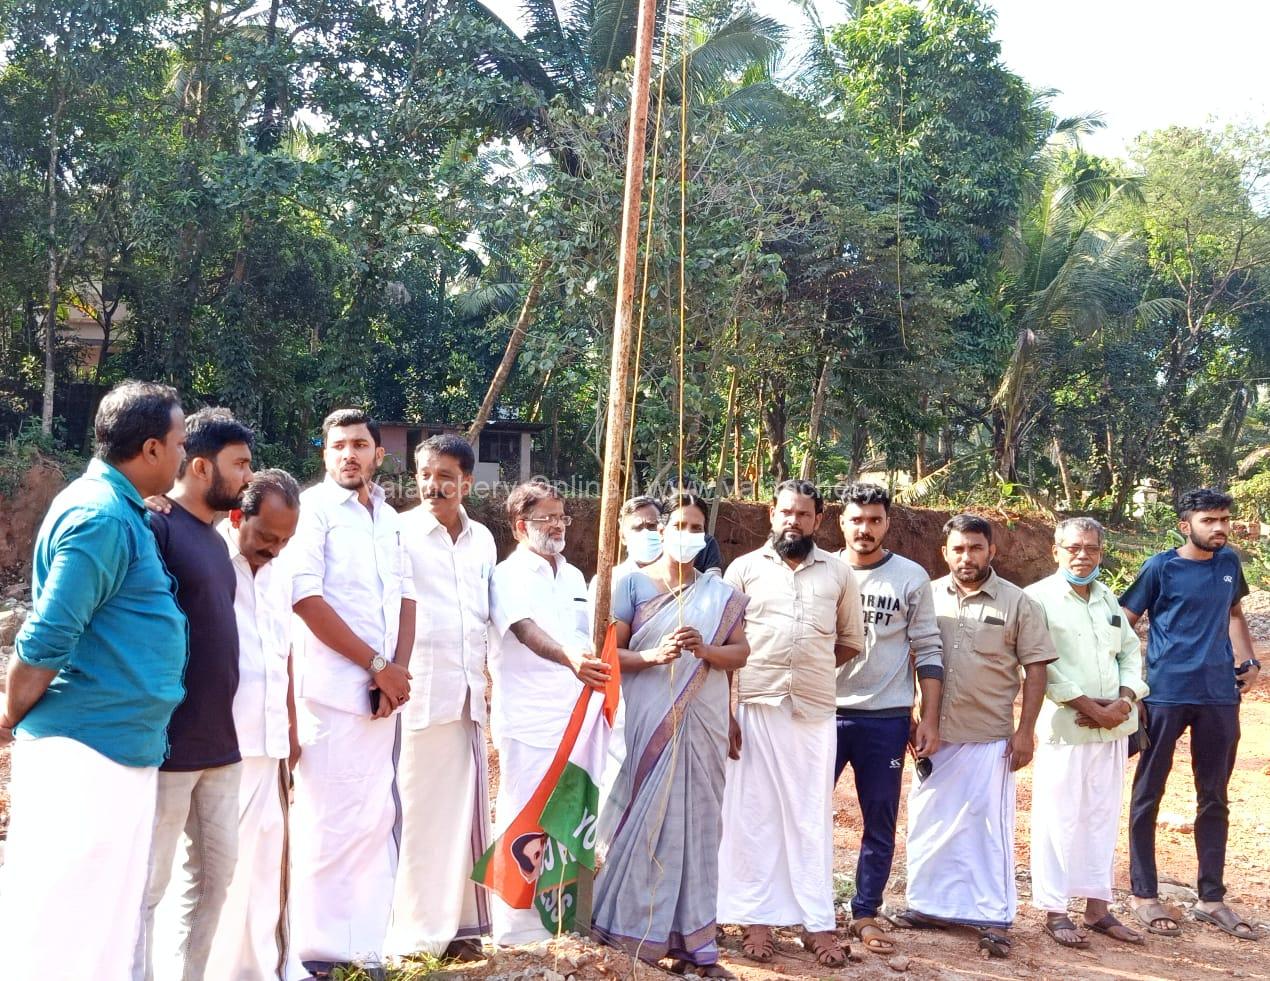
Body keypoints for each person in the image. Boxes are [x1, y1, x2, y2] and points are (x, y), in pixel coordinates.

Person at [0, 381, 188, 981]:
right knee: (64, 932)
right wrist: (9, 714)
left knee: (102, 929)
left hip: (117, 748)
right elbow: (46, 635)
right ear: (153, 448)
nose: (184, 457)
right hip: (85, 750)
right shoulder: (99, 516)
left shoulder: (120, 508)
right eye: (181, 443)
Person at [592, 493, 749, 976]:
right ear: (661, 529)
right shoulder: (629, 584)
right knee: (644, 819)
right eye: (676, 523)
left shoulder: (721, 595)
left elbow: (740, 653)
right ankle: (627, 934)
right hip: (646, 718)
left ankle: (695, 948)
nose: (684, 532)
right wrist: (654, 656)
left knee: (700, 826)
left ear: (705, 535)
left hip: (703, 720)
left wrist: (705, 650)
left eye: (694, 525)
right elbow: (610, 655)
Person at [287, 409, 417, 978]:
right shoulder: (310, 512)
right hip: (332, 694)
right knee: (326, 822)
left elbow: (406, 598)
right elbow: (306, 600)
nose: (349, 455)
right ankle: (315, 952)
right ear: (323, 454)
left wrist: (398, 673)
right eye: (338, 445)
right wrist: (376, 664)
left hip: (382, 697)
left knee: (374, 817)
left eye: (359, 445)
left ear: (378, 454)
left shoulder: (390, 517)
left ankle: (366, 948)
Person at [716, 480, 864, 968]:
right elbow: (727, 644)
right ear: (770, 514)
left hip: (813, 712)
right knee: (754, 815)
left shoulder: (839, 574)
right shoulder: (743, 570)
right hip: (754, 705)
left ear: (818, 520)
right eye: (785, 512)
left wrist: (809, 670)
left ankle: (816, 922)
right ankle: (755, 920)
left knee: (809, 816)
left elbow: (846, 643)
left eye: (803, 514)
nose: (792, 521)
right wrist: (731, 709)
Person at [895, 514, 1055, 959]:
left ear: (992, 551)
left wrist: (1026, 732)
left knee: (987, 833)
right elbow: (905, 658)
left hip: (989, 738)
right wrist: (909, 717)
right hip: (934, 738)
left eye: (976, 548)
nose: (967, 557)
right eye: (958, 549)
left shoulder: (1018, 603)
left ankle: (993, 915)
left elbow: (1036, 669)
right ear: (944, 552)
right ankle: (928, 906)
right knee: (928, 823)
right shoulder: (925, 596)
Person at [135, 407, 255, 981]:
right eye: (241, 464)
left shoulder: (216, 540)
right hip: (168, 744)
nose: (248, 477)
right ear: (203, 467)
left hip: (220, 744)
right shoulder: (153, 527)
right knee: (147, 884)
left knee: (215, 878)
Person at [1121, 487, 1263, 942]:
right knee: (1149, 792)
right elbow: (1125, 620)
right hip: (1164, 694)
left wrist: (1250, 662)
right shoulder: (1160, 567)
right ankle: (1144, 894)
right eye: (1209, 521)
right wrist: (1126, 683)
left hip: (1220, 696)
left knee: (1214, 796)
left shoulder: (1229, 564)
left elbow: (1236, 613)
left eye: (1224, 519)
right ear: (1186, 525)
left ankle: (1211, 898)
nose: (1219, 528)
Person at [386, 435, 497, 962]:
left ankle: (458, 927)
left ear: (466, 482)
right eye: (425, 474)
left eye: (445, 476)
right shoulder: (398, 532)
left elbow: (487, 618)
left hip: (466, 696)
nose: (433, 485)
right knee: (414, 817)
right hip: (417, 696)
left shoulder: (484, 541)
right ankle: (409, 935)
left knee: (462, 817)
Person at [487, 480, 610, 946]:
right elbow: (525, 631)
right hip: (528, 719)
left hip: (572, 719)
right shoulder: (508, 575)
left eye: (562, 516)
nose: (557, 525)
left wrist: (590, 669)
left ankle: (559, 919)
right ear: (521, 527)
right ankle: (514, 925)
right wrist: (570, 659)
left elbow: (584, 638)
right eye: (546, 518)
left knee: (564, 819)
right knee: (524, 817)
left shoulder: (575, 577)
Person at [1026, 517, 1148, 949]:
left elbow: (1131, 653)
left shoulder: (1108, 598)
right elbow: (1039, 660)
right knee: (1058, 819)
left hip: (1112, 726)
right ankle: (1055, 910)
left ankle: (1098, 908)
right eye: (1074, 548)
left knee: (1101, 816)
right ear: (1055, 550)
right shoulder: (1037, 599)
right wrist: (1086, 705)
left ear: (1101, 553)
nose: (1083, 556)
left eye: (1092, 549)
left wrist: (1126, 698)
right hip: (1067, 724)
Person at [833, 482, 943, 956]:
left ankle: (864, 911)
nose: (865, 528)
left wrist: (929, 717)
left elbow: (928, 648)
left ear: (887, 523)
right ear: (840, 521)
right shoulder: (823, 571)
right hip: (823, 713)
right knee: (803, 814)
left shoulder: (910, 576)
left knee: (880, 819)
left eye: (874, 520)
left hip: (886, 718)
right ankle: (808, 906)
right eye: (856, 519)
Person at [205, 469, 303, 980]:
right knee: (218, 871)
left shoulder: (281, 570)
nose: (275, 549)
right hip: (218, 744)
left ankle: (263, 969)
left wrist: (289, 723)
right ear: (237, 516)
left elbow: (281, 651)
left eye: (285, 540)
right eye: (266, 537)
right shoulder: (208, 559)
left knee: (268, 865)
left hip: (270, 741)